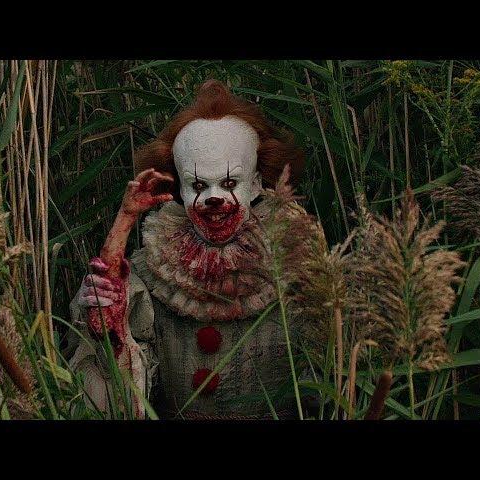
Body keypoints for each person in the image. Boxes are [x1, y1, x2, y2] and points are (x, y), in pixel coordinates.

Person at [68, 79, 315, 419]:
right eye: (198, 185)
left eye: (230, 183)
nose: (214, 198)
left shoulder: (305, 271)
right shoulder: (148, 274)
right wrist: (110, 327)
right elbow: (119, 401)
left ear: (257, 183)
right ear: (179, 189)